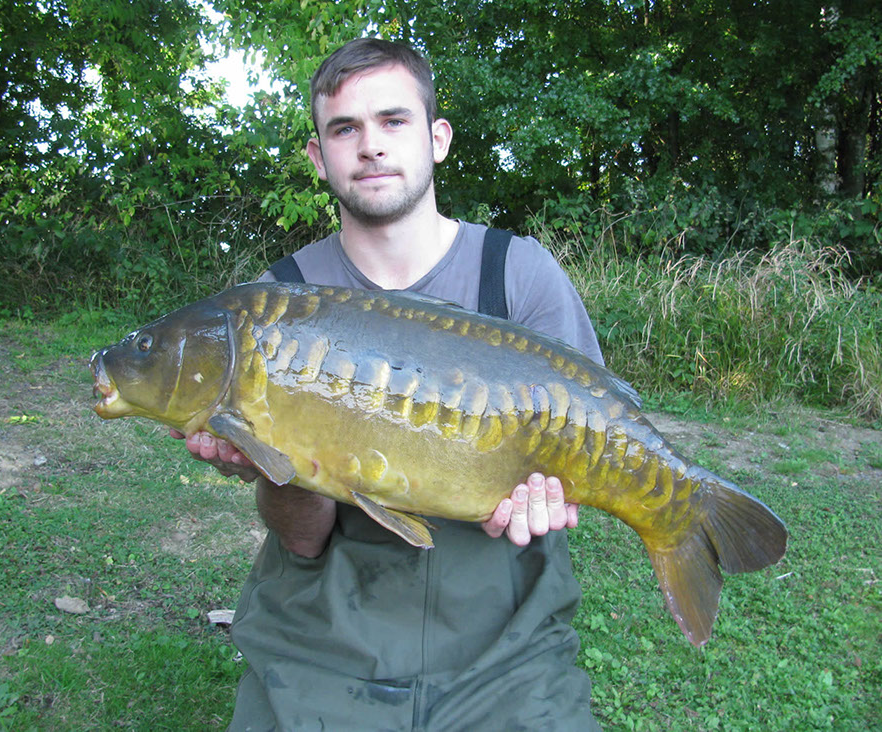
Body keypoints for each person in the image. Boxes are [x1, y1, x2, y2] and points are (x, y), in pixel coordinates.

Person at [174, 38, 604, 731]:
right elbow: (303, 540)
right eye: (345, 128)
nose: (370, 146)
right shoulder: (272, 303)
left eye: (393, 121)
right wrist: (280, 465)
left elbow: (591, 434)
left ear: (437, 139)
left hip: (505, 643)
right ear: (319, 157)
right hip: (325, 634)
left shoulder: (518, 274)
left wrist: (550, 494)